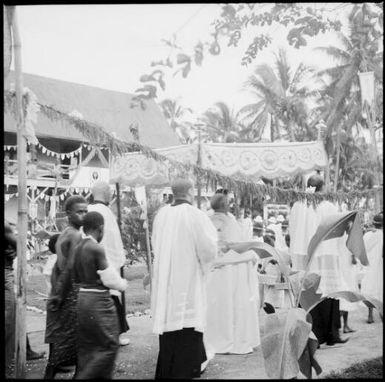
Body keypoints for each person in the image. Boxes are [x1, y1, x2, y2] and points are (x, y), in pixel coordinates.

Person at [151, 178, 218, 379]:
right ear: (190, 191)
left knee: (170, 336)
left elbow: (156, 245)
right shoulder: (196, 215)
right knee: (187, 334)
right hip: (188, 282)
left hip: (167, 284)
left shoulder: (161, 215)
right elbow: (208, 250)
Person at [289, 173, 348, 346]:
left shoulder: (298, 206)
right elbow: (338, 231)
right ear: (322, 188)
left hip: (304, 257)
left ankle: (309, 336)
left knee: (308, 293)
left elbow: (292, 230)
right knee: (328, 292)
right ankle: (331, 335)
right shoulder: (329, 206)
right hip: (326, 256)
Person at [73, 211, 128, 379]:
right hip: (98, 301)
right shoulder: (96, 248)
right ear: (101, 228)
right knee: (109, 345)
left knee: (88, 346)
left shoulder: (78, 247)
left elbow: (74, 277)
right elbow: (110, 278)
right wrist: (123, 285)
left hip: (82, 298)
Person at [205, 193, 260, 356]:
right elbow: (237, 245)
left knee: (216, 305)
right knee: (232, 303)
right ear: (224, 205)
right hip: (230, 271)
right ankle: (232, 339)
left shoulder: (208, 220)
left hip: (214, 269)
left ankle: (214, 338)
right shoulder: (229, 221)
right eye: (228, 203)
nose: (230, 205)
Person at [44, 195, 88, 379]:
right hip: (70, 293)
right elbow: (69, 267)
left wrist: (55, 292)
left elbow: (56, 266)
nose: (84, 215)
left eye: (86, 211)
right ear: (68, 214)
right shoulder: (76, 235)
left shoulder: (65, 233)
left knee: (66, 340)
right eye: (79, 212)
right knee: (74, 340)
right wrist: (60, 295)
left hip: (63, 291)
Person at [87, 181, 130, 346]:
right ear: (106, 193)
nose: (112, 194)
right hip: (106, 261)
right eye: (110, 192)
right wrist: (119, 260)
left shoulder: (89, 210)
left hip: (90, 263)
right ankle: (115, 335)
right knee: (111, 299)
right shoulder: (106, 212)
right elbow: (113, 242)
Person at [5, 220, 46, 368]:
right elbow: (19, 248)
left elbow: (20, 248)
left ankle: (24, 350)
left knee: (13, 315)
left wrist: (13, 251)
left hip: (7, 272)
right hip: (6, 274)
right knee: (11, 317)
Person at [361, 213, 383, 323]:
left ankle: (370, 315)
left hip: (369, 267)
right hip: (380, 267)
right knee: (380, 290)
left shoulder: (367, 235)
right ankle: (381, 313)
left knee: (369, 290)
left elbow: (362, 250)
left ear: (373, 223)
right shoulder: (382, 235)